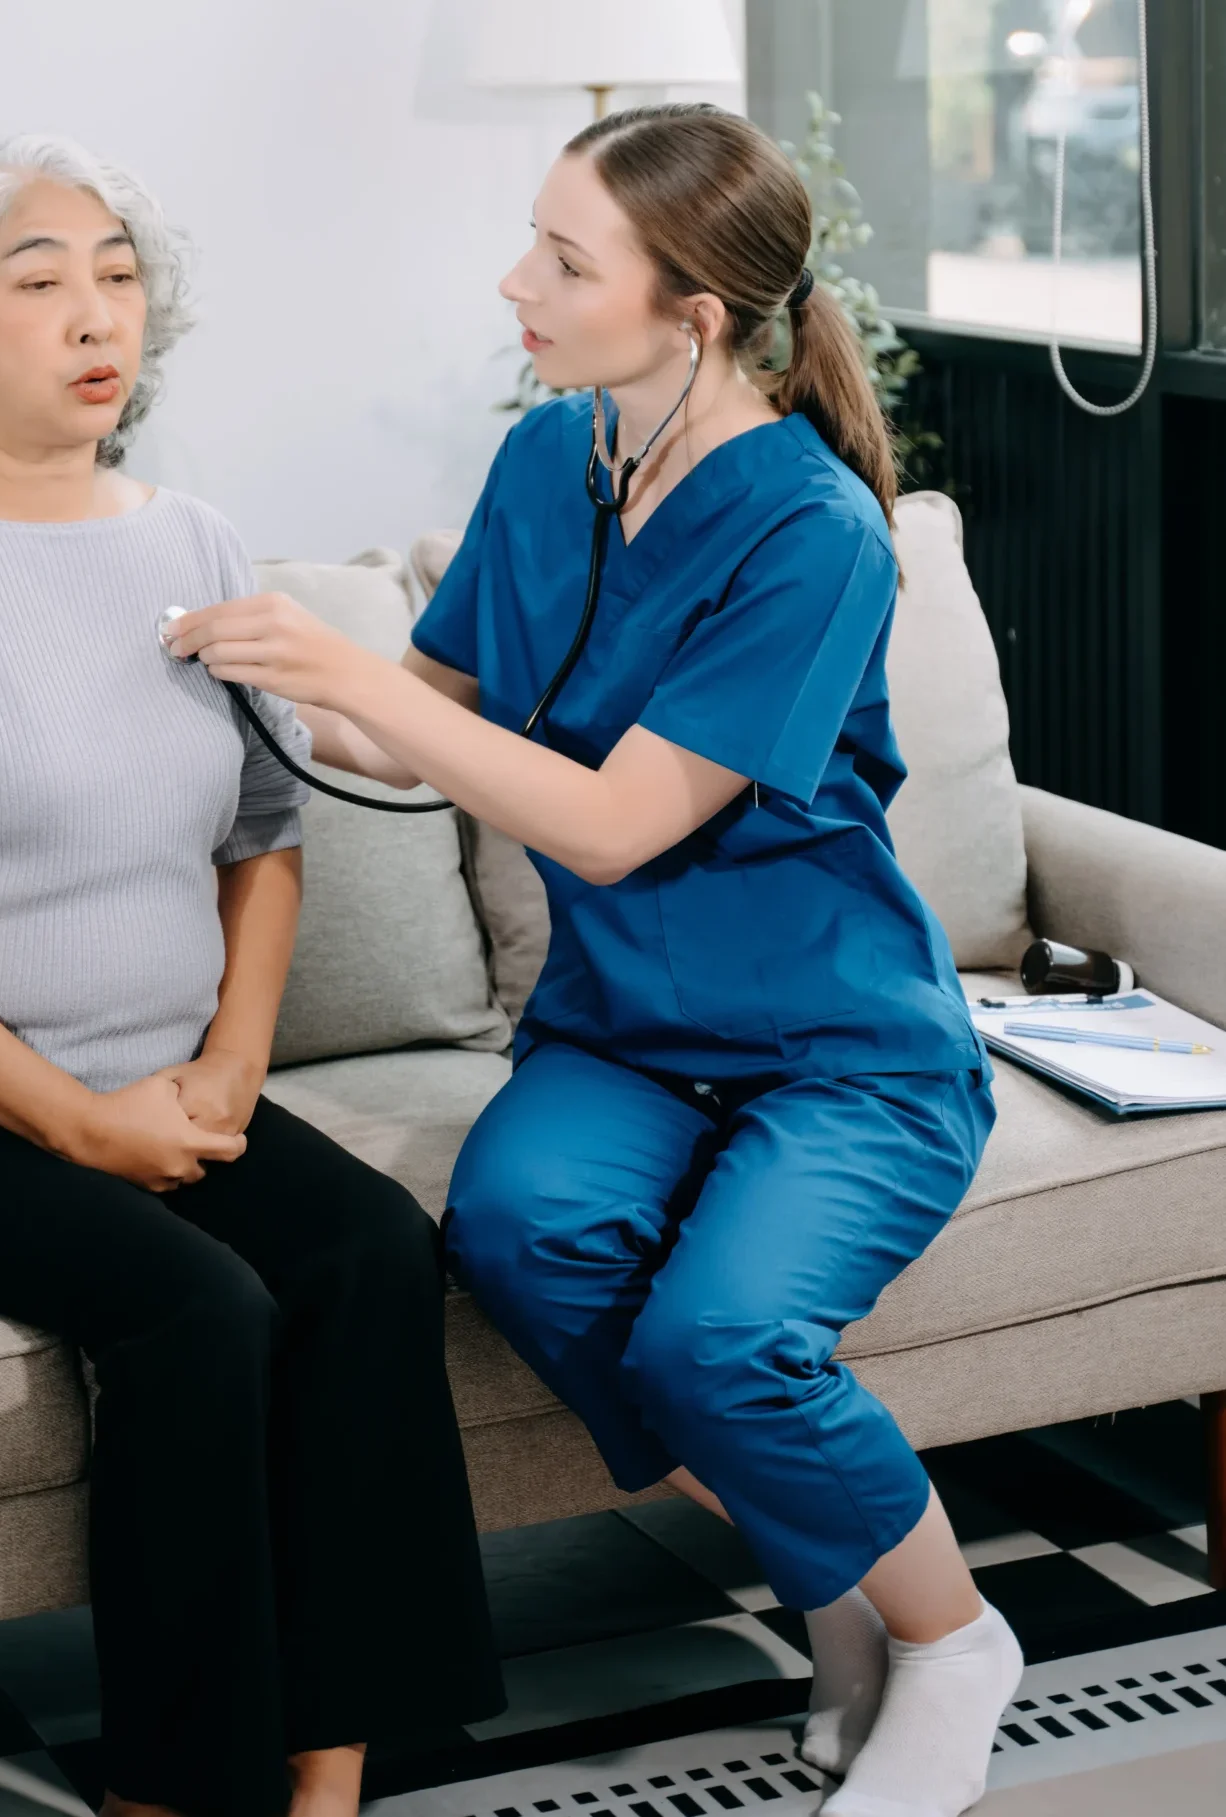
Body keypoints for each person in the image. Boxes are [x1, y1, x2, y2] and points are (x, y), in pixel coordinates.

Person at [167, 105, 1021, 1817]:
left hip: (835, 1048)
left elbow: (615, 825)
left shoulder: (812, 534)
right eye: (531, 242)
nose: (517, 284)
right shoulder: (545, 463)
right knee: (515, 1231)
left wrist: (361, 683)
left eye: (563, 260)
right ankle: (833, 1583)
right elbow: (444, 727)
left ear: (690, 310)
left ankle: (945, 1639)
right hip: (621, 1034)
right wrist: (266, 672)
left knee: (719, 1340)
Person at [0, 133, 503, 1817]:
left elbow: (261, 829)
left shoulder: (197, 539)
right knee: (199, 1305)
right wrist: (86, 1133)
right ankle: (166, 1791)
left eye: (117, 274)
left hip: (169, 1071)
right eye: (39, 280)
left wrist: (234, 1064)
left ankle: (326, 1774)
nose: (96, 314)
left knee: (374, 1251)